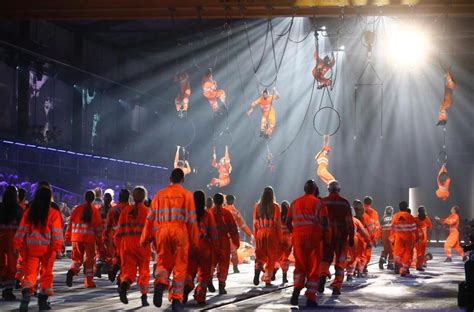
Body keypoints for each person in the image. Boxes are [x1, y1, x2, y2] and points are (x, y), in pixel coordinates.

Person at [140, 168, 199, 310]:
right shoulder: (187, 195)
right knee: (180, 266)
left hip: (162, 232)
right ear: (183, 180)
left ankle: (160, 282)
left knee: (163, 262)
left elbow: (149, 219)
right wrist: (195, 242)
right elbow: (191, 220)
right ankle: (176, 300)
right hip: (180, 232)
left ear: (170, 179)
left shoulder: (159, 195)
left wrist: (144, 238)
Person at [13, 187, 63, 312]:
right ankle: (42, 302)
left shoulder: (29, 212)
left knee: (30, 275)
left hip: (31, 248)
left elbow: (21, 230)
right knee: (46, 275)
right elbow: (57, 233)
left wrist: (16, 245)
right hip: (48, 250)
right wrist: (57, 249)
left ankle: (26, 293)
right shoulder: (54, 213)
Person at [287, 180, 328, 307]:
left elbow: (288, 222)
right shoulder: (319, 203)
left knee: (300, 266)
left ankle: (296, 292)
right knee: (313, 268)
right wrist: (324, 236)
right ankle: (310, 298)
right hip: (313, 238)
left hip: (298, 239)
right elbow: (325, 222)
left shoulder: (294, 202)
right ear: (315, 189)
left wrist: (294, 232)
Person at [116, 186, 151, 307]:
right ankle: (144, 296)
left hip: (127, 245)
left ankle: (124, 285)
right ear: (144, 197)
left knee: (128, 271)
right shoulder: (147, 212)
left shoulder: (125, 211)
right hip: (143, 246)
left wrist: (118, 249)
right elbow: (153, 232)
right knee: (144, 271)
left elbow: (118, 232)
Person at [183, 190, 219, 305]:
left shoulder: (187, 214)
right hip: (204, 247)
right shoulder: (208, 215)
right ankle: (200, 296)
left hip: (190, 246)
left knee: (189, 271)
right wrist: (216, 250)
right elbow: (213, 234)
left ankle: (186, 287)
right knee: (204, 274)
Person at [319, 181, 354, 296]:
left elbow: (319, 220)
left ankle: (322, 275)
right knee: (340, 261)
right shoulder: (344, 203)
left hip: (326, 235)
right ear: (339, 189)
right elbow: (349, 221)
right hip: (341, 236)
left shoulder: (323, 201)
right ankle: (337, 286)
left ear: (329, 189)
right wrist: (352, 236)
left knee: (325, 258)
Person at [65, 190, 103, 288]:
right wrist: (100, 242)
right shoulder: (95, 211)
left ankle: (72, 271)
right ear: (94, 199)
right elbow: (98, 228)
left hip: (76, 238)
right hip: (89, 240)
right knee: (89, 262)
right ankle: (89, 282)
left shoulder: (77, 209)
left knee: (77, 260)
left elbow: (70, 223)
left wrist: (68, 236)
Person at [208, 193, 239, 295]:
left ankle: (209, 278)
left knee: (211, 262)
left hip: (211, 241)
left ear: (213, 201)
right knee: (224, 263)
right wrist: (236, 242)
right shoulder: (227, 213)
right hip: (224, 242)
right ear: (223, 202)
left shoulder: (209, 213)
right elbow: (233, 229)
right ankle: (221, 286)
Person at [252, 187, 282, 287]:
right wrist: (279, 238)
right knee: (271, 257)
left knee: (260, 255)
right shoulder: (276, 207)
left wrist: (256, 236)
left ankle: (257, 271)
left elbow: (255, 223)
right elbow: (277, 224)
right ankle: (267, 279)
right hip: (271, 233)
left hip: (260, 233)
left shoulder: (257, 207)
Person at [0, 186, 23, 300]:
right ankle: (8, 291)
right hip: (12, 241)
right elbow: (22, 228)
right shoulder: (18, 210)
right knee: (11, 266)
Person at [103, 189, 130, 282]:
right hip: (128, 237)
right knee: (126, 259)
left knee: (116, 255)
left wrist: (105, 236)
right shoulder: (131, 209)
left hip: (115, 237)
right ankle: (120, 278)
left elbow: (108, 225)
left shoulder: (113, 210)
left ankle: (113, 268)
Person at [224, 194, 253, 274]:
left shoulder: (222, 210)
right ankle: (235, 267)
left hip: (223, 235)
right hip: (232, 235)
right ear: (233, 201)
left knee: (224, 252)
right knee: (234, 252)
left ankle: (223, 268)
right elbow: (242, 225)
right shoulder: (236, 212)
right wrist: (250, 234)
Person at [391, 201, 417, 277]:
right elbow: (414, 228)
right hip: (408, 238)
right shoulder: (409, 216)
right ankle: (404, 270)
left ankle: (397, 266)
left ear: (399, 207)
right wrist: (416, 238)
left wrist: (392, 238)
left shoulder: (395, 216)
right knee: (407, 253)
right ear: (406, 207)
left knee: (397, 253)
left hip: (398, 237)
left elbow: (392, 228)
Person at [347, 201, 371, 280]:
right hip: (356, 239)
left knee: (345, 257)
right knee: (356, 257)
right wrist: (369, 242)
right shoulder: (357, 220)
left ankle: (343, 274)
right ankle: (355, 272)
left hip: (343, 240)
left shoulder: (341, 220)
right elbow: (365, 232)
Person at [363, 196, 381, 272]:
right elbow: (377, 226)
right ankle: (364, 266)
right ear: (371, 203)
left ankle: (357, 268)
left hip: (360, 236)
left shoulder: (359, 211)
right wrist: (376, 238)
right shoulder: (374, 213)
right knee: (367, 253)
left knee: (359, 253)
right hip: (370, 237)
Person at [275, 200, 291, 284]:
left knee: (278, 257)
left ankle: (274, 269)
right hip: (288, 240)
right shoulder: (290, 216)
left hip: (279, 239)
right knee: (285, 258)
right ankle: (284, 276)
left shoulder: (278, 216)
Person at [415, 206, 433, 271]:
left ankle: (419, 264)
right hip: (423, 237)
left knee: (418, 252)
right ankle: (419, 266)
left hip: (417, 237)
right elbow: (430, 228)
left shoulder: (415, 219)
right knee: (421, 252)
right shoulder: (427, 219)